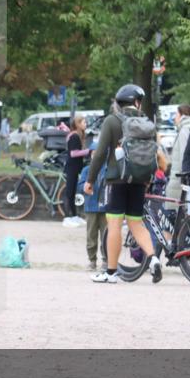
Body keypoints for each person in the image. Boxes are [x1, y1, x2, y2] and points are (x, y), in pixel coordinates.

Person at [84, 84, 163, 284]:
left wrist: (90, 179)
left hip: (117, 180)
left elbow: (100, 153)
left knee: (115, 225)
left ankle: (110, 272)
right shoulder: (146, 123)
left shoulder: (112, 121)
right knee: (136, 223)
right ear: (137, 102)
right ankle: (153, 258)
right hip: (139, 180)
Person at [79, 140, 107, 271]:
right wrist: (84, 188)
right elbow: (79, 186)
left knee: (106, 235)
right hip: (90, 207)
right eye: (93, 153)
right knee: (91, 235)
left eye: (98, 153)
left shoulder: (108, 169)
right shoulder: (86, 170)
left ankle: (106, 260)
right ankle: (92, 260)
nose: (95, 156)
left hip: (105, 208)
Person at [62, 114, 91, 227]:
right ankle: (67, 217)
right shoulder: (74, 136)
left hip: (76, 167)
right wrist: (88, 151)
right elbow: (73, 153)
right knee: (69, 192)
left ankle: (74, 216)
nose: (85, 124)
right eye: (83, 122)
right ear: (78, 124)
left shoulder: (78, 136)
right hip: (71, 167)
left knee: (73, 192)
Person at [165, 104, 190, 201]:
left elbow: (184, 153)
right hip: (186, 175)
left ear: (182, 115)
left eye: (176, 114)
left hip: (179, 177)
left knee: (177, 209)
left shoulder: (184, 130)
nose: (174, 117)